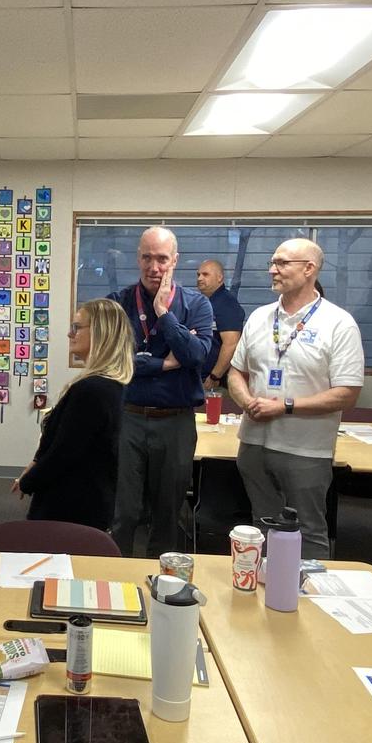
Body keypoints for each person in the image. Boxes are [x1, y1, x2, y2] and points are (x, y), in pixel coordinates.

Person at [226, 238, 364, 558]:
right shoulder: (260, 317)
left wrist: (286, 406)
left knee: (309, 531)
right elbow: (235, 373)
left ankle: (312, 599)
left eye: (282, 263)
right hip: (254, 444)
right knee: (259, 529)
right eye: (272, 262)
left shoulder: (338, 324)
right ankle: (263, 595)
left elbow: (347, 393)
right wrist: (246, 400)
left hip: (305, 450)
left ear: (309, 269)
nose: (272, 270)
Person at [110, 226, 217, 557]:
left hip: (175, 422)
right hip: (127, 418)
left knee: (167, 513)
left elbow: (197, 356)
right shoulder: (118, 303)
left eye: (161, 259)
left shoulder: (196, 304)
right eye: (147, 257)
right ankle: (113, 578)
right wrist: (165, 364)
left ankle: (161, 587)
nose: (154, 267)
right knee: (123, 512)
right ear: (137, 258)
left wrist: (163, 314)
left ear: (175, 260)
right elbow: (115, 361)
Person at [13, 299, 132, 530]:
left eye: (77, 327)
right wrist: (36, 463)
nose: (70, 334)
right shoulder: (106, 384)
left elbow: (64, 453)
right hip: (84, 500)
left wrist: (29, 481)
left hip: (72, 506)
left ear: (100, 333)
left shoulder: (92, 390)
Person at [196, 259, 244, 393]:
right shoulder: (207, 303)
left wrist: (214, 376)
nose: (200, 278)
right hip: (201, 379)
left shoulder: (226, 303)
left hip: (216, 383)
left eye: (205, 275)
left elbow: (231, 344)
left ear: (219, 278)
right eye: (198, 274)